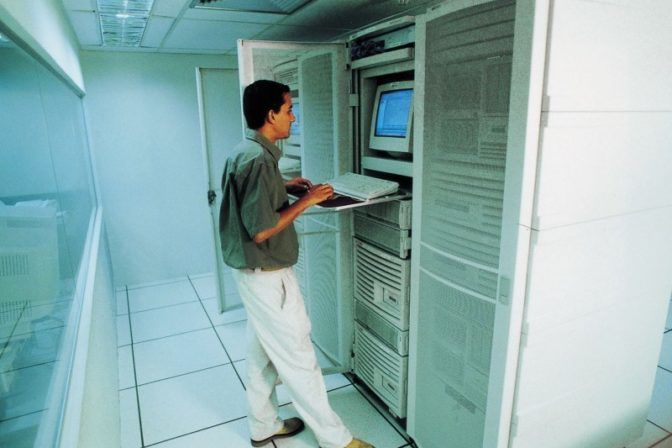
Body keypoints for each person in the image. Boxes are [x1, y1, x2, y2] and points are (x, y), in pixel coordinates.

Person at [219, 79, 374, 448]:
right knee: (299, 357)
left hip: (253, 274)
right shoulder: (259, 160)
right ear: (271, 114)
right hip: (267, 275)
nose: (293, 117)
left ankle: (263, 425)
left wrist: (284, 186)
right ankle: (337, 440)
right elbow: (261, 230)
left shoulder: (248, 151)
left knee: (261, 355)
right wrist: (308, 201)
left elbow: (249, 198)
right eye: (289, 110)